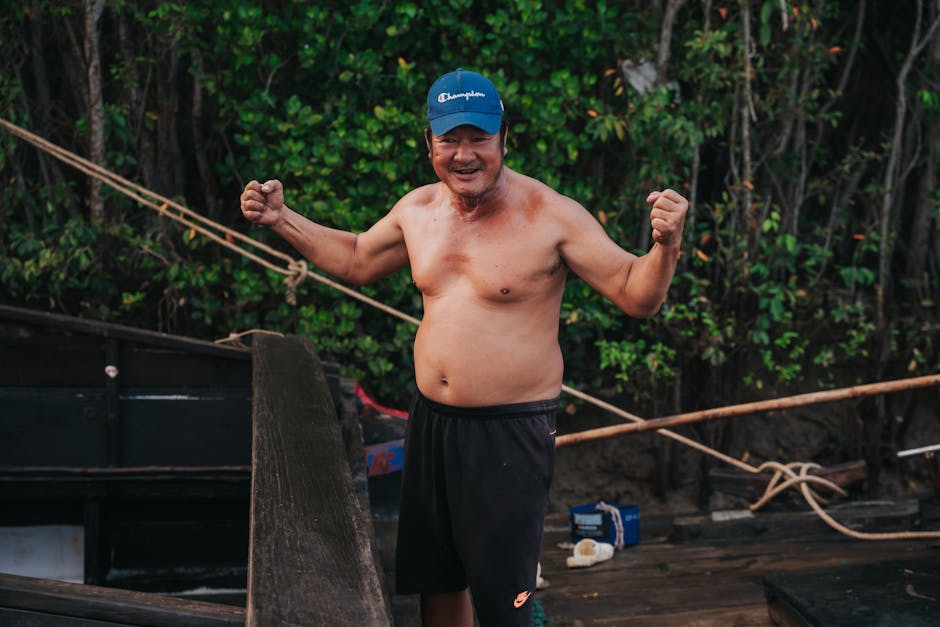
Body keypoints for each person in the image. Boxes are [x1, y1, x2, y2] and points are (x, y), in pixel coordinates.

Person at [240, 68, 688, 627]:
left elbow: (633, 293)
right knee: (437, 582)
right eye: (450, 139)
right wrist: (283, 219)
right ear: (429, 142)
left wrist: (665, 247)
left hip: (510, 431)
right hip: (431, 423)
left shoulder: (551, 216)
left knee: (504, 601)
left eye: (479, 137)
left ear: (505, 138)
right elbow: (356, 258)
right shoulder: (418, 211)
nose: (464, 154)